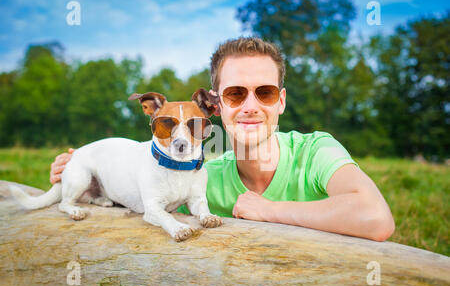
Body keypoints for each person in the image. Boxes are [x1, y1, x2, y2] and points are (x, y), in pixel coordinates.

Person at [50, 37, 395, 241]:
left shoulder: (317, 150)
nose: (250, 106)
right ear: (216, 104)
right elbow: (142, 193)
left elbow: (377, 218)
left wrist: (270, 210)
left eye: (265, 92)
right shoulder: (202, 179)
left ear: (282, 100)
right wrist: (83, 173)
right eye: (234, 94)